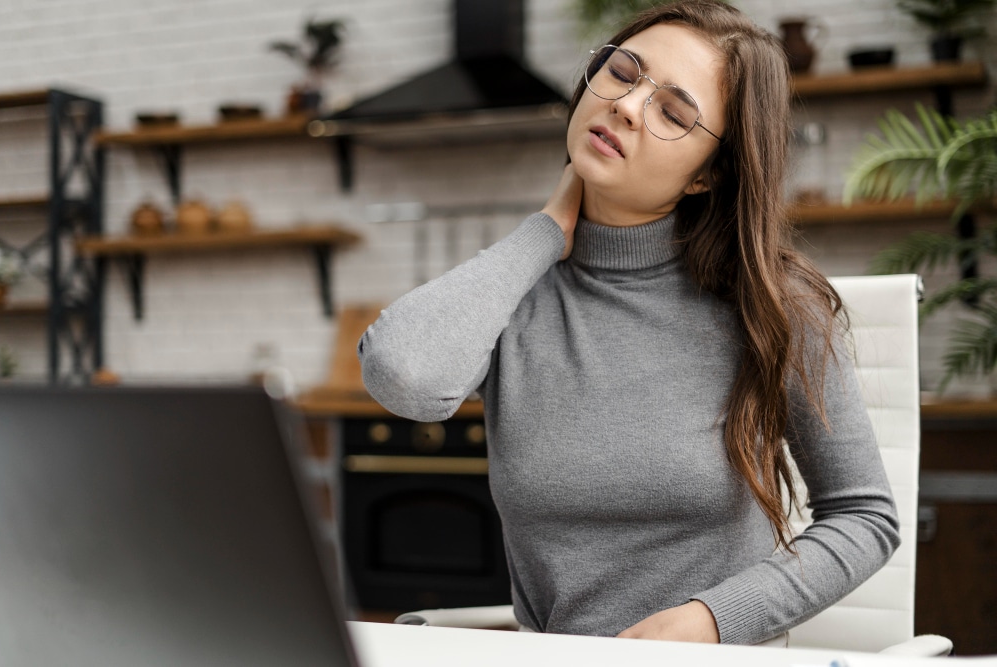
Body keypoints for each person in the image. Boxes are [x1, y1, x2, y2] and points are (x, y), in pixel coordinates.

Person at [358, 0, 900, 646]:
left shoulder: (776, 305)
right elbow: (403, 373)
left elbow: (866, 515)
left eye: (673, 111)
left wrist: (714, 618)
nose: (626, 104)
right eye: (622, 73)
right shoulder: (516, 293)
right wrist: (542, 234)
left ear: (708, 175)